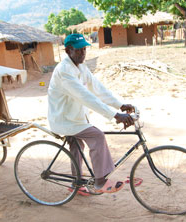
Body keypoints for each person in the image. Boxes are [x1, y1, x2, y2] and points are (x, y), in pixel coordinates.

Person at [47, 33, 135, 194]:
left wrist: (120, 105)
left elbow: (97, 88)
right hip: (64, 120)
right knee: (97, 136)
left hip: (75, 117)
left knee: (77, 146)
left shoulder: (81, 67)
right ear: (68, 50)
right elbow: (85, 96)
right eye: (78, 50)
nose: (83, 53)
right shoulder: (64, 71)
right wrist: (115, 115)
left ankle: (75, 184)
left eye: (84, 49)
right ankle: (100, 181)